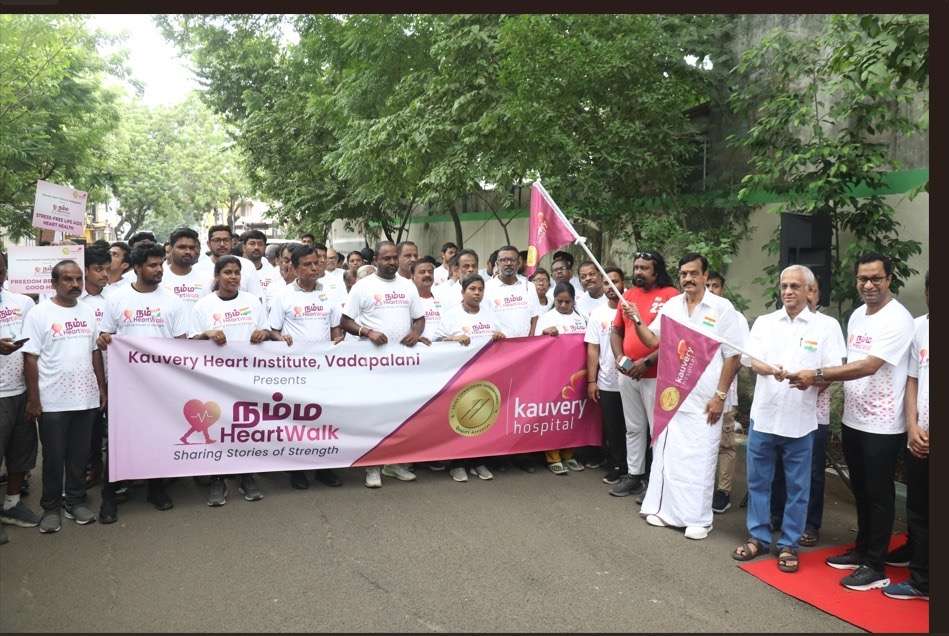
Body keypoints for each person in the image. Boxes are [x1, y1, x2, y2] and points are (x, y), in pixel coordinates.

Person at [787, 252, 914, 591]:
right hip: (854, 418)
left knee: (878, 493)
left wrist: (816, 374)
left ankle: (875, 564)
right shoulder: (858, 315)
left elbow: (868, 366)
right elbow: (847, 361)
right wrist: (820, 375)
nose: (869, 285)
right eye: (863, 279)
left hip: (884, 423)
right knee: (860, 489)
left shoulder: (898, 319)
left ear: (889, 279)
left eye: (876, 278)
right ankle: (861, 550)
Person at [730, 265, 845, 573]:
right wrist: (769, 369)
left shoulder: (827, 326)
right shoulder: (766, 323)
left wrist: (813, 379)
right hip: (764, 417)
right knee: (758, 481)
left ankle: (789, 544)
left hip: (800, 420)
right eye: (784, 286)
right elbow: (750, 360)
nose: (788, 291)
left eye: (795, 286)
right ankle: (758, 537)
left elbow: (832, 370)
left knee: (798, 486)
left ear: (810, 291)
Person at [623, 252, 745, 540]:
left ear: (705, 276)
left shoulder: (722, 308)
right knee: (669, 455)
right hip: (673, 393)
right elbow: (654, 340)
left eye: (694, 273)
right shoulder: (672, 306)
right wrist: (637, 320)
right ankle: (665, 511)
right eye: (683, 274)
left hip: (706, 398)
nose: (688, 278)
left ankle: (698, 519)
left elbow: (733, 357)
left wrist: (720, 396)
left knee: (700, 458)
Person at [97, 242, 189, 522]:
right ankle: (109, 497)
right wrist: (103, 339)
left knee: (158, 438)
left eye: (160, 264)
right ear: (136, 267)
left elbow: (182, 345)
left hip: (160, 385)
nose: (158, 269)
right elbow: (105, 335)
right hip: (126, 384)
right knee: (119, 441)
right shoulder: (116, 299)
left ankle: (156, 489)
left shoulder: (173, 302)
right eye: (152, 265)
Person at [21, 260, 107, 533]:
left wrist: (101, 389)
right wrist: (34, 399)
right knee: (54, 456)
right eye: (68, 279)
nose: (74, 285)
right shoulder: (39, 313)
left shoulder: (89, 312)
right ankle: (51, 507)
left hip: (85, 397)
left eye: (78, 279)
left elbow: (95, 352)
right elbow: (30, 358)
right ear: (54, 283)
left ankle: (75, 500)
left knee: (80, 455)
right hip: (53, 400)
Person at [340, 241, 425, 488]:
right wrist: (367, 332)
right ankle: (372, 467)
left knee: (399, 414)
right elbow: (345, 321)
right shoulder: (363, 287)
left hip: (402, 365)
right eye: (385, 258)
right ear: (375, 260)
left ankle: (394, 464)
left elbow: (419, 318)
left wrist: (416, 332)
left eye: (393, 258)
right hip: (372, 365)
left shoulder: (408, 286)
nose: (390, 262)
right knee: (374, 416)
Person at [190, 256, 272, 505]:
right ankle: (218, 479)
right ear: (217, 276)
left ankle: (247, 476)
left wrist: (263, 333)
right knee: (217, 428)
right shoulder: (202, 306)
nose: (233, 277)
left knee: (244, 427)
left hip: (247, 377)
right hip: (215, 379)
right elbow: (191, 343)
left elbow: (266, 331)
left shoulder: (252, 302)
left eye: (237, 272)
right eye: (227, 272)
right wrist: (207, 334)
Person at [770, 276, 841, 545]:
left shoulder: (826, 326)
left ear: (817, 293)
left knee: (810, 473)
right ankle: (776, 515)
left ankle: (809, 525)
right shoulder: (781, 323)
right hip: (779, 411)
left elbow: (833, 369)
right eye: (798, 288)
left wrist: (812, 388)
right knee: (778, 467)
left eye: (811, 289)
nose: (806, 294)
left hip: (813, 414)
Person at [269, 244, 344, 490]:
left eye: (317, 263)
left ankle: (324, 467)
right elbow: (274, 330)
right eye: (308, 264)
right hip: (295, 370)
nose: (314, 268)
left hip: (323, 369)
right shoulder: (284, 296)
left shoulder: (330, 295)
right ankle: (298, 469)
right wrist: (280, 340)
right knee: (299, 420)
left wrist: (339, 343)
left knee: (324, 418)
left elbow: (335, 331)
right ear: (295, 267)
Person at [609, 251, 678, 497]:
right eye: (636, 267)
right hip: (628, 375)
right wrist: (620, 357)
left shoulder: (672, 297)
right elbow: (615, 331)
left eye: (644, 268)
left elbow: (673, 340)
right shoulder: (627, 295)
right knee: (634, 427)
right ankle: (634, 475)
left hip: (656, 375)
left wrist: (646, 362)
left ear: (656, 270)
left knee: (656, 430)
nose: (638, 272)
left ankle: (656, 479)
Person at [882, 270, 929, 601]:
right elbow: (912, 379)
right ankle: (922, 579)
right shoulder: (921, 327)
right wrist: (912, 425)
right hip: (920, 436)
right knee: (919, 508)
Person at [435, 274, 505, 482]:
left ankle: (478, 461)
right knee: (461, 418)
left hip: (486, 377)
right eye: (472, 289)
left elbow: (502, 336)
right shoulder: (451, 315)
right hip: (460, 376)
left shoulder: (490, 313)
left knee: (482, 418)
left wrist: (499, 336)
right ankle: (457, 463)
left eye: (480, 289)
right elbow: (436, 340)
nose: (476, 293)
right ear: (463, 292)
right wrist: (453, 338)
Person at [0, 254, 40, 544]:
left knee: (22, 452)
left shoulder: (22, 303)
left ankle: (12, 504)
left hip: (21, 391)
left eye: (0, 270)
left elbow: (34, 345)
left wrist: (34, 394)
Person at [705, 271, 750, 514]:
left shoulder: (735, 318)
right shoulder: (695, 314)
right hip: (696, 394)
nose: (711, 289)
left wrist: (722, 390)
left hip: (724, 394)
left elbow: (739, 357)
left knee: (725, 444)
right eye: (708, 285)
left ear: (723, 288)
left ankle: (723, 490)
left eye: (716, 286)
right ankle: (699, 487)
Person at [536, 281, 588, 474]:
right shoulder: (546, 318)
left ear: (574, 301)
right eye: (560, 302)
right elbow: (535, 345)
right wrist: (545, 334)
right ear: (554, 300)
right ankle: (552, 456)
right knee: (554, 414)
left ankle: (569, 454)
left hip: (576, 374)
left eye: (567, 302)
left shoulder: (582, 318)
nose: (564, 306)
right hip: (553, 374)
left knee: (572, 415)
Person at [584, 267, 627, 485]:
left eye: (615, 282)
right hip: (608, 380)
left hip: (633, 380)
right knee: (613, 427)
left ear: (623, 283)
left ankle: (637, 470)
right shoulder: (598, 314)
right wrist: (592, 380)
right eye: (607, 283)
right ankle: (617, 465)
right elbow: (593, 348)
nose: (611, 287)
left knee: (635, 427)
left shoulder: (632, 309)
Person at [78, 247, 112, 489]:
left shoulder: (114, 298)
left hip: (115, 371)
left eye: (108, 270)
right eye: (99, 269)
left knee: (111, 425)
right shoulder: (74, 301)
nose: (105, 275)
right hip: (83, 374)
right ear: (86, 271)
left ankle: (113, 470)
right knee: (89, 426)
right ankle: (91, 466)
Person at [196, 225, 263, 299]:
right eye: (217, 240)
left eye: (226, 240)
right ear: (208, 244)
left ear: (232, 242)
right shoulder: (198, 269)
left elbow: (257, 297)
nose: (222, 244)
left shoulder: (247, 266)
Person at [161, 227, 213, 311]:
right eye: (182, 247)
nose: (188, 251)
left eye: (191, 248)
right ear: (170, 249)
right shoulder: (160, 279)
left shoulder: (206, 280)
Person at [241, 229, 286, 311]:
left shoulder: (274, 273)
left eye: (260, 244)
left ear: (265, 248)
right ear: (244, 247)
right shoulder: (237, 272)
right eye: (252, 244)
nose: (256, 247)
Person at [412, 257, 442, 345]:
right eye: (422, 272)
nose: (427, 275)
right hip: (418, 352)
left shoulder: (442, 298)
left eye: (430, 272)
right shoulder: (408, 301)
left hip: (442, 351)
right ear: (413, 276)